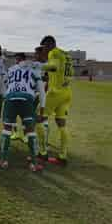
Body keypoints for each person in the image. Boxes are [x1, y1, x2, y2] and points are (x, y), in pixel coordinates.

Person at [0, 53, 45, 171]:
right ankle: (34, 163)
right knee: (30, 130)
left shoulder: (11, 69)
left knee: (7, 129)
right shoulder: (34, 68)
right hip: (26, 99)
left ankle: (3, 160)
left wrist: (5, 95)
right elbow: (41, 90)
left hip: (11, 98)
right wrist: (42, 110)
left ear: (18, 61)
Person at [38, 36, 73, 165]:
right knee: (61, 123)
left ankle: (42, 153)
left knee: (38, 119)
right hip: (67, 92)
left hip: (55, 92)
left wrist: (38, 66)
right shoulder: (66, 55)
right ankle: (62, 156)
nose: (45, 51)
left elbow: (53, 67)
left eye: (45, 47)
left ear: (49, 44)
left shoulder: (54, 52)